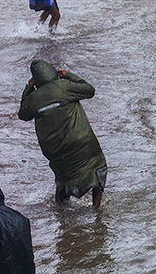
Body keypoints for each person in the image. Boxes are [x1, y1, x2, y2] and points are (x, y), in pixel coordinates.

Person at [18, 60, 108, 206]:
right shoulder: (65, 86)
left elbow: (23, 114)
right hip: (83, 142)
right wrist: (69, 76)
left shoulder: (34, 98)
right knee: (97, 167)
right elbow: (89, 90)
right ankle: (97, 208)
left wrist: (28, 89)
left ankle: (62, 216)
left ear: (35, 80)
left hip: (56, 150)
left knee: (63, 180)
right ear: (54, 73)